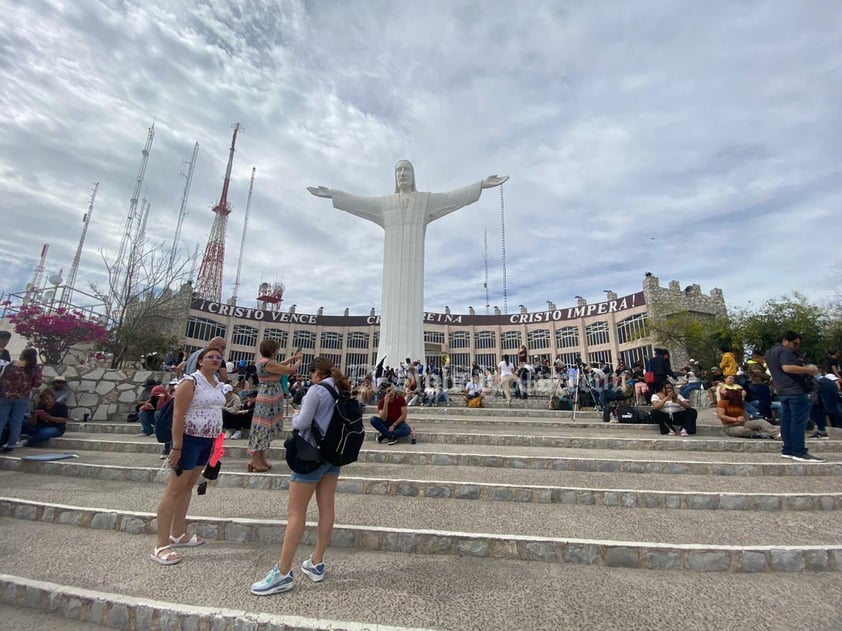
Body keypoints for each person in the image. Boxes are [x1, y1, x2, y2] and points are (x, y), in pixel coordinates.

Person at [308, 161, 508, 365]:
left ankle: (408, 367)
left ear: (413, 175)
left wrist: (480, 184)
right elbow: (357, 202)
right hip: (392, 274)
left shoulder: (424, 200)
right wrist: (333, 194)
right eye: (398, 170)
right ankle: (388, 364)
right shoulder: (385, 203)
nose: (402, 173)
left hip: (414, 275)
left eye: (407, 169)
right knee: (392, 315)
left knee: (410, 313)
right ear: (395, 176)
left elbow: (451, 198)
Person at [250, 357, 351, 596]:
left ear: (316, 373)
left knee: (296, 513)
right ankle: (316, 562)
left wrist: (295, 416)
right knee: (327, 508)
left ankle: (283, 573)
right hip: (333, 456)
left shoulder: (316, 391)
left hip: (310, 455)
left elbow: (303, 422)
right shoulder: (340, 388)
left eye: (311, 373)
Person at [151, 346, 226, 565]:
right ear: (200, 361)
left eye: (218, 357)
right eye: (210, 356)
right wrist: (177, 446)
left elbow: (216, 412)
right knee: (174, 489)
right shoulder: (189, 382)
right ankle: (161, 544)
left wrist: (216, 445)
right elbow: (178, 414)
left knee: (187, 486)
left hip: (208, 440)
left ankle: (178, 532)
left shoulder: (217, 384)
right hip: (189, 439)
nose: (215, 359)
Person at [766, 331, 823, 463]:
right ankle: (799, 451)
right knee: (798, 422)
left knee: (786, 421)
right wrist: (810, 370)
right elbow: (787, 368)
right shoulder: (784, 351)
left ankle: (788, 449)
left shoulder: (770, 352)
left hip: (783, 391)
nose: (796, 347)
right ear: (786, 341)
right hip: (795, 390)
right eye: (795, 343)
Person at [247, 340, 302, 472]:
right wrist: (299, 361)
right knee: (263, 428)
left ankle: (261, 458)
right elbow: (288, 370)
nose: (278, 351)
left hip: (269, 396)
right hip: (268, 398)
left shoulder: (265, 362)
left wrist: (293, 358)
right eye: (277, 349)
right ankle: (254, 459)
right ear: (273, 351)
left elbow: (281, 365)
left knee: (266, 428)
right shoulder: (268, 363)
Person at [0, 348, 43, 452]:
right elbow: (37, 383)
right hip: (22, 398)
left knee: (1, 421)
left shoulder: (11, 365)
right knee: (17, 422)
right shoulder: (34, 368)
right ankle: (11, 445)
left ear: (22, 355)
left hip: (6, 396)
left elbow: (2, 379)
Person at [809, 372, 842, 439]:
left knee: (830, 409)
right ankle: (821, 431)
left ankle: (821, 431)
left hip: (822, 386)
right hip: (819, 387)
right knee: (815, 408)